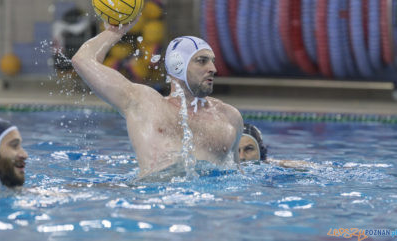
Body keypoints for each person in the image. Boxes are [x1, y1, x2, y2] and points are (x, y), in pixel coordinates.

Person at [72, 18, 243, 177]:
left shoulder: (229, 117)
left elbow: (236, 176)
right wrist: (116, 32)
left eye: (212, 61)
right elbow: (82, 60)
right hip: (154, 199)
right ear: (177, 65)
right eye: (202, 60)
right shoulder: (144, 103)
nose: (213, 68)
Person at [240, 123, 316, 169]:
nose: (241, 157)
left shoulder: (271, 166)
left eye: (249, 149)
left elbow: (310, 167)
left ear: (261, 152)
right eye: (236, 150)